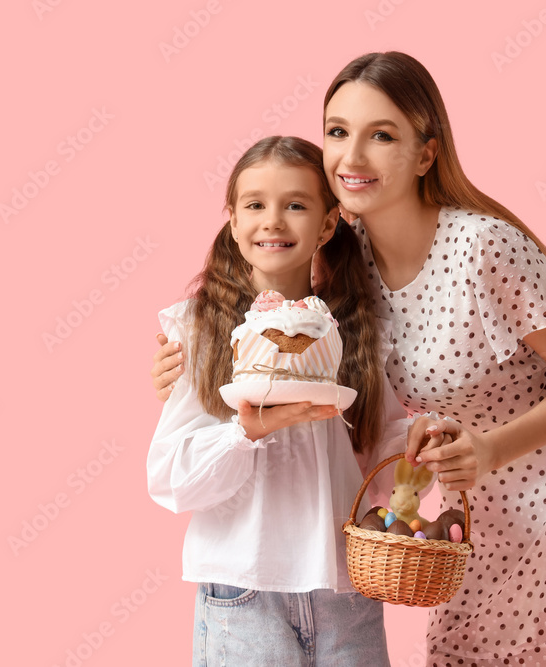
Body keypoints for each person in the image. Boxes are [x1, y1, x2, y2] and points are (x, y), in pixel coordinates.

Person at [153, 52, 546, 666]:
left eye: (382, 136)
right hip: (488, 490)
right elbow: (276, 306)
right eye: (338, 132)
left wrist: (487, 451)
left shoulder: (484, 246)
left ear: (425, 154)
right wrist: (195, 354)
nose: (351, 158)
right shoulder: (352, 265)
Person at [147, 135, 405, 667]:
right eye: (255, 205)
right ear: (234, 223)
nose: (274, 220)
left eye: (296, 204)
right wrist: (246, 431)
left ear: (328, 224)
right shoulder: (198, 331)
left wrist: (423, 446)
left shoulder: (354, 330)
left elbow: (380, 458)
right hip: (243, 591)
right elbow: (171, 476)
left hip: (346, 590)